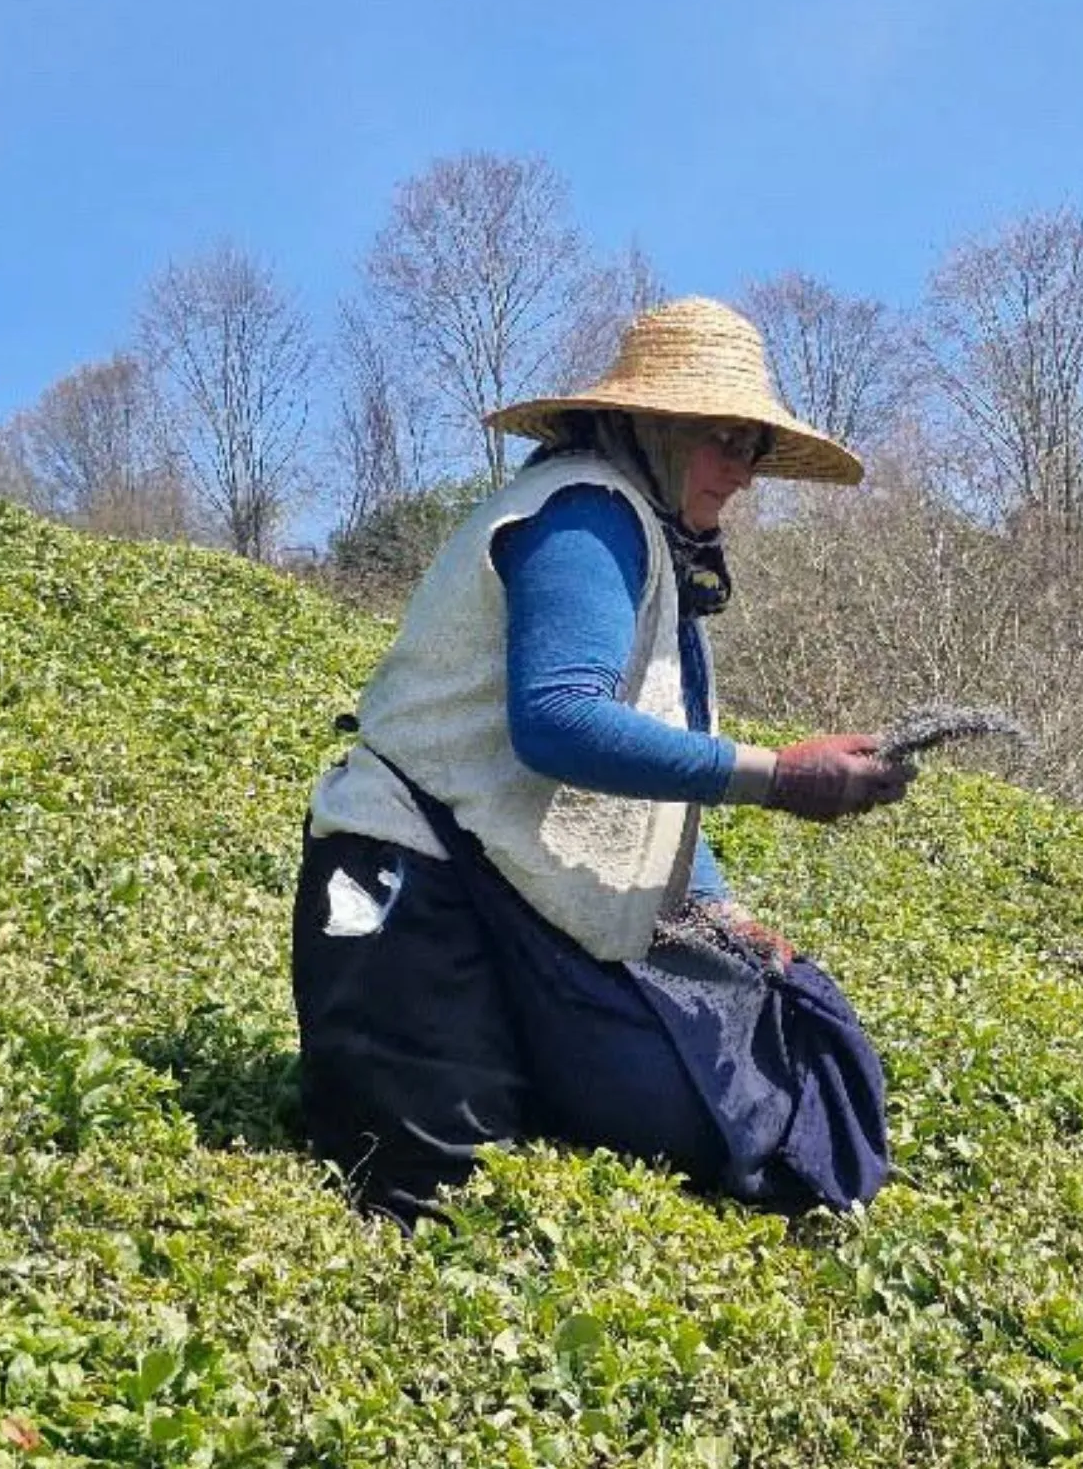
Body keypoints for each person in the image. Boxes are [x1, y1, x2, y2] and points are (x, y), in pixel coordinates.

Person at [289, 296, 913, 1226]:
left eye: (751, 449)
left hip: (501, 886)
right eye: (723, 441)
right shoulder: (586, 513)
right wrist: (781, 777)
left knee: (755, 1067)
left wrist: (722, 913)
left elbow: (660, 782)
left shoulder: (648, 539)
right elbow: (559, 721)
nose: (740, 475)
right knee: (433, 1180)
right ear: (652, 424)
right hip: (411, 882)